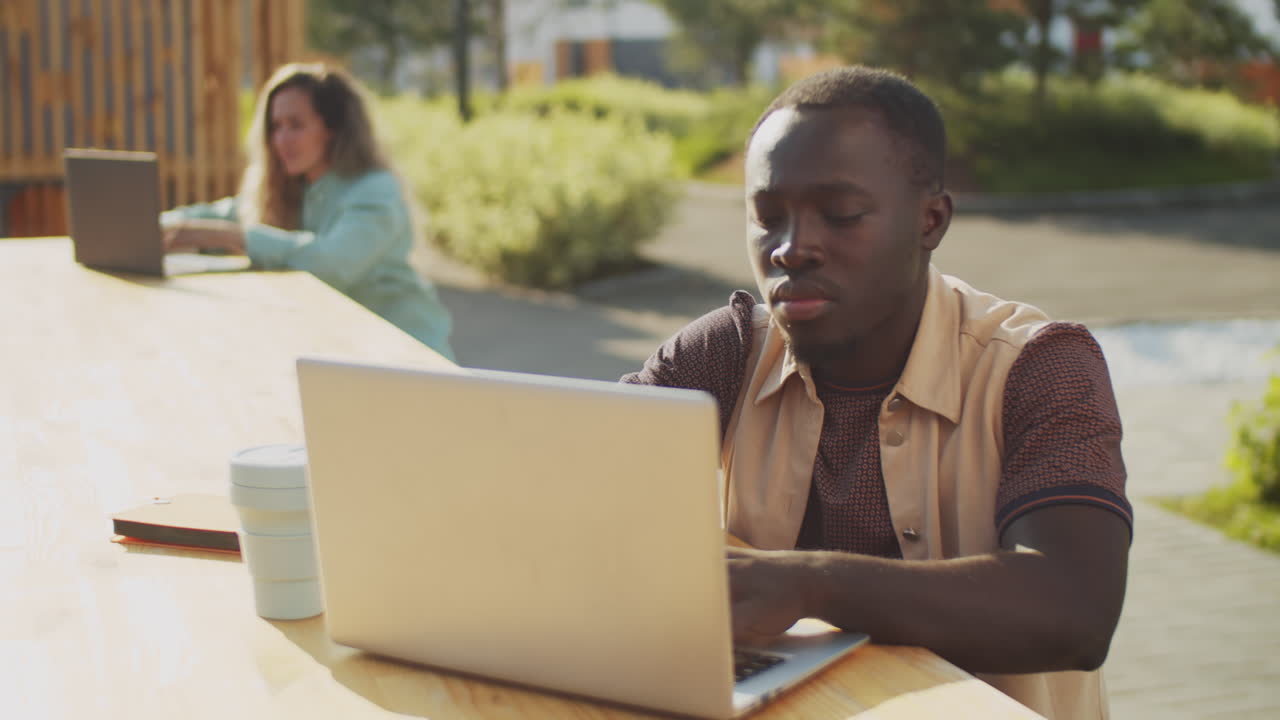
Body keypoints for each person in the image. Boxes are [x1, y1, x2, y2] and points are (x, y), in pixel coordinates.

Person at [622, 66, 1130, 720]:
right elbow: (590, 491)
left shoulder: (1039, 367)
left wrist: (811, 585)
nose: (792, 249)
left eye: (840, 215)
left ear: (930, 220)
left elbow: (1075, 610)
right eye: (767, 218)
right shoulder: (726, 352)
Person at [161, 62, 455, 360]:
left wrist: (231, 238)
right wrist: (153, 225)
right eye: (276, 127)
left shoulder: (376, 191)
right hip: (340, 357)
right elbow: (215, 216)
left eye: (296, 125)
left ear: (332, 128)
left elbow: (332, 265)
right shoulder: (289, 190)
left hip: (411, 359)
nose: (281, 140)